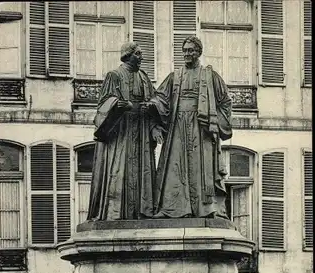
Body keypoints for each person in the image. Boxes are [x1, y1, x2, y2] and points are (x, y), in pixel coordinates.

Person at [146, 36, 232, 219]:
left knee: (202, 168)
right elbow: (160, 97)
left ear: (198, 52)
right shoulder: (175, 76)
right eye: (184, 50)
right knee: (175, 166)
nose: (187, 54)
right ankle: (172, 209)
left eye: (191, 50)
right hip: (177, 124)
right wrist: (153, 104)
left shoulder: (210, 75)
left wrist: (214, 122)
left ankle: (206, 209)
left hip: (201, 127)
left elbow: (225, 101)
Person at [87, 42, 163, 220]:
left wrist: (152, 119)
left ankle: (141, 213)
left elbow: (155, 102)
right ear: (127, 55)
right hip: (121, 132)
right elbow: (103, 104)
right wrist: (118, 105)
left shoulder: (144, 77)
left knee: (142, 172)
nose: (141, 57)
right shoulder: (114, 76)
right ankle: (116, 214)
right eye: (138, 54)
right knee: (120, 170)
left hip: (142, 131)